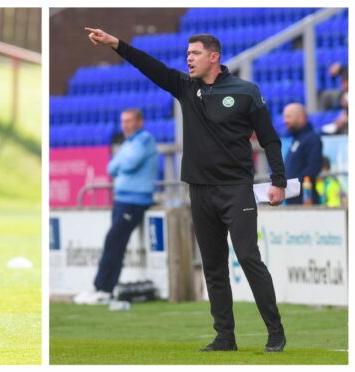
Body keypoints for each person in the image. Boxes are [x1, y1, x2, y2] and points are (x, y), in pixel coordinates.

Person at [84, 28, 287, 352]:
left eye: (194, 54)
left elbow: (270, 139)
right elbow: (150, 67)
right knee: (214, 266)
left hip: (236, 190)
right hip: (200, 192)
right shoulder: (185, 87)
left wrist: (278, 181)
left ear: (214, 56)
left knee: (248, 257)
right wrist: (116, 45)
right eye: (187, 54)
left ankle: (275, 332)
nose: (188, 59)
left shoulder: (246, 91)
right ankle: (225, 337)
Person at [74, 109, 159, 305]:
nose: (125, 125)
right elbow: (111, 168)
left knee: (113, 242)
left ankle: (103, 288)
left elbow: (128, 164)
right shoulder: (128, 143)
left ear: (140, 122)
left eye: (129, 121)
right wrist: (120, 161)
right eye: (123, 121)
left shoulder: (145, 140)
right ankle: (101, 287)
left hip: (135, 201)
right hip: (121, 200)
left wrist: (120, 160)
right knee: (114, 244)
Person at [282, 103, 323, 204]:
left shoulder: (312, 139)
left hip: (306, 198)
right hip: (292, 197)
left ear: (301, 118)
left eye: (288, 117)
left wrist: (293, 185)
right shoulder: (297, 139)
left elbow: (313, 168)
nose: (285, 121)